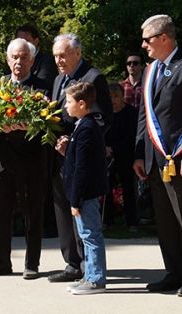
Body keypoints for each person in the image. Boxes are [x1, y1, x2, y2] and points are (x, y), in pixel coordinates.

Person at [133, 14, 182, 296]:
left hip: (179, 157)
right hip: (154, 159)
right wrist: (139, 154)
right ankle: (174, 272)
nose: (143, 45)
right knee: (164, 221)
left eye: (147, 39)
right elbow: (144, 115)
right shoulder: (151, 70)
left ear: (164, 38)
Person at [0, 38, 49, 280]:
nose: (19, 62)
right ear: (7, 60)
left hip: (31, 159)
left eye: (24, 57)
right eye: (14, 57)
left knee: (32, 212)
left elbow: (46, 123)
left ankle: (32, 264)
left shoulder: (42, 89)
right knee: (0, 212)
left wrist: (23, 126)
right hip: (1, 159)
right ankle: (0, 262)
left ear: (31, 60)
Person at [48, 33, 112, 283]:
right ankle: (72, 263)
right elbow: (58, 115)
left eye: (63, 54)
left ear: (77, 53)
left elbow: (103, 117)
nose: (59, 60)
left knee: (83, 212)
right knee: (64, 207)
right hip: (62, 154)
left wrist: (75, 138)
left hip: (81, 153)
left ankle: (90, 268)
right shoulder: (58, 79)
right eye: (55, 56)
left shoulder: (94, 77)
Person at [58, 82, 107, 295]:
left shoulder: (86, 127)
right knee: (86, 235)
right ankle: (89, 276)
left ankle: (96, 279)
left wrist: (75, 200)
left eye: (69, 102)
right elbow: (78, 159)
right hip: (83, 193)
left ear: (81, 103)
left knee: (90, 235)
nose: (66, 106)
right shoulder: (82, 125)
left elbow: (83, 168)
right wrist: (67, 151)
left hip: (85, 194)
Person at [16, 25, 59, 238]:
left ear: (37, 41)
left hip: (41, 132)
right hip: (17, 137)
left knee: (43, 182)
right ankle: (25, 222)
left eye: (26, 40)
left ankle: (48, 224)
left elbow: (36, 91)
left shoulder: (46, 62)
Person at [104, 83, 138, 230]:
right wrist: (105, 148)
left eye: (116, 96)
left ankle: (132, 221)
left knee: (129, 188)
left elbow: (132, 136)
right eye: (110, 97)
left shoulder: (131, 113)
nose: (113, 100)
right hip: (108, 156)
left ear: (122, 96)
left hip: (126, 155)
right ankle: (108, 221)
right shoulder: (105, 114)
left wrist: (116, 148)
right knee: (106, 188)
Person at [15, 24, 58, 91]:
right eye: (19, 41)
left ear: (36, 41)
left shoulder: (47, 62)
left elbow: (42, 87)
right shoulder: (13, 61)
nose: (22, 44)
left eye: (27, 41)